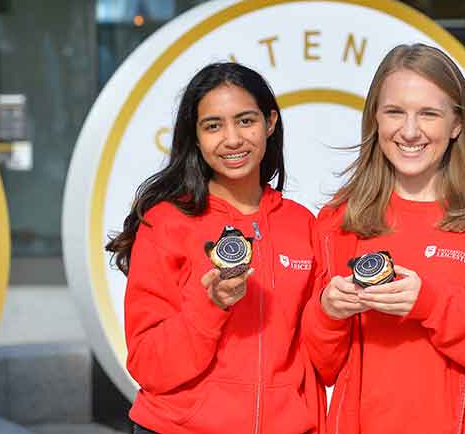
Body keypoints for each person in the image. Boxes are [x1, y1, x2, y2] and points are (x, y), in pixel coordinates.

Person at [301, 44, 465, 434]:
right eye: (395, 112)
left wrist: (432, 304)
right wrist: (328, 313)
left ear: (456, 124)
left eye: (428, 114)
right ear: (375, 119)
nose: (409, 131)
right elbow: (322, 365)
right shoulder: (338, 222)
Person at [106, 62, 326, 434]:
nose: (233, 139)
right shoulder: (166, 222)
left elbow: (316, 356)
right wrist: (211, 305)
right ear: (195, 136)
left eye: (245, 121)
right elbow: (148, 366)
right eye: (213, 126)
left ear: (270, 123)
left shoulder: (302, 224)